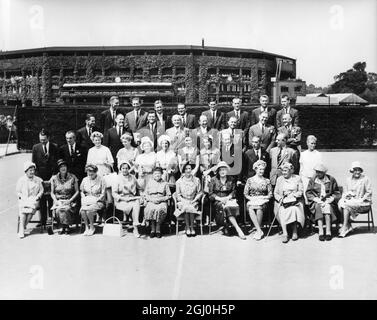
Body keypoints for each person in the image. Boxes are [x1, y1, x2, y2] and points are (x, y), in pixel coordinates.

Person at [209, 161, 246, 239]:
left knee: (229, 207)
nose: (222, 172)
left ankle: (227, 226)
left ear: (227, 170)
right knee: (224, 207)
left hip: (229, 199)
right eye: (221, 170)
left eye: (224, 170)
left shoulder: (231, 179)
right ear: (218, 171)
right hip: (217, 200)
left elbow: (234, 191)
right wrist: (220, 199)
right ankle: (237, 229)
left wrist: (228, 198)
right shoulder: (213, 179)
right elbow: (211, 194)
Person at [31, 129, 59, 226]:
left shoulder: (55, 147)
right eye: (41, 139)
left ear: (48, 138)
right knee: (42, 199)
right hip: (41, 178)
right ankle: (42, 221)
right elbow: (34, 164)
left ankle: (51, 219)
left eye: (44, 140)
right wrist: (39, 178)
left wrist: (53, 176)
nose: (42, 141)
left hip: (52, 177)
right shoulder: (35, 147)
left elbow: (57, 163)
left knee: (51, 198)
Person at [306, 163, 340, 241]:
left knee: (327, 208)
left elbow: (337, 192)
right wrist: (315, 199)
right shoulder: (313, 180)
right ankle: (321, 231)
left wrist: (331, 199)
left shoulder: (331, 179)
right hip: (317, 201)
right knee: (318, 207)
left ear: (324, 172)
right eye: (317, 172)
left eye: (320, 172)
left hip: (328, 201)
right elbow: (308, 192)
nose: (318, 173)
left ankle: (328, 231)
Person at [338, 161, 373, 238]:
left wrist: (361, 199)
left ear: (361, 171)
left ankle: (344, 227)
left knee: (346, 206)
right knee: (340, 203)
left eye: (359, 170)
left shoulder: (365, 179)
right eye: (355, 170)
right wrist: (347, 195)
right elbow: (345, 192)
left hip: (362, 202)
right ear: (352, 171)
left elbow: (369, 192)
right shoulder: (348, 179)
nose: (357, 172)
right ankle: (348, 225)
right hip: (351, 201)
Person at [274, 162, 305, 243]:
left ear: (291, 171)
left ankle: (295, 232)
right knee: (282, 210)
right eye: (283, 171)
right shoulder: (279, 179)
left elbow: (301, 191)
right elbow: (275, 193)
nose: (283, 172)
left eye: (286, 171)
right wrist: (280, 198)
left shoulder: (297, 178)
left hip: (295, 201)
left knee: (294, 209)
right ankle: (285, 233)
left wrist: (294, 195)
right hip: (283, 201)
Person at [244, 160, 273, 240]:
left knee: (259, 207)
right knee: (251, 207)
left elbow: (270, 194)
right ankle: (259, 231)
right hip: (252, 200)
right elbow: (246, 193)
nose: (261, 171)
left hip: (263, 201)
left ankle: (258, 231)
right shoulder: (250, 180)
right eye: (260, 169)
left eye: (263, 169)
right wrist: (252, 198)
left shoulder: (266, 181)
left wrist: (263, 198)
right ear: (255, 169)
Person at [112, 161, 141, 238]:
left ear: (129, 169)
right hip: (121, 200)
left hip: (131, 198)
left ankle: (135, 225)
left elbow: (139, 187)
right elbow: (114, 193)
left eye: (126, 168)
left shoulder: (133, 177)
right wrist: (122, 198)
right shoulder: (117, 178)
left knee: (136, 202)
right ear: (120, 169)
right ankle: (136, 226)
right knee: (133, 206)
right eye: (123, 168)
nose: (125, 170)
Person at [50, 159, 79, 235]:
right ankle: (64, 227)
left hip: (69, 200)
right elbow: (52, 193)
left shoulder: (73, 177)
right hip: (58, 200)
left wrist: (70, 200)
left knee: (66, 209)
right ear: (58, 169)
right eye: (61, 167)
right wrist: (55, 201)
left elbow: (77, 191)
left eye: (65, 166)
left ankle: (65, 227)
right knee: (59, 209)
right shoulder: (54, 178)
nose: (63, 168)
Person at [16, 162, 44, 238]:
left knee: (30, 210)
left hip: (34, 199)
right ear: (26, 171)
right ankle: (22, 230)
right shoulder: (21, 180)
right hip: (24, 199)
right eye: (30, 170)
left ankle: (23, 226)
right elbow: (18, 191)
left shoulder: (38, 180)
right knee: (23, 210)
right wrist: (22, 197)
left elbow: (41, 190)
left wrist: (38, 196)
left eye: (33, 170)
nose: (32, 172)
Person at [174, 162, 203, 237]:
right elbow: (178, 195)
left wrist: (194, 200)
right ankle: (188, 227)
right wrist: (184, 201)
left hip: (193, 201)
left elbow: (200, 192)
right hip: (183, 202)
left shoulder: (196, 180)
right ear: (183, 170)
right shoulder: (179, 182)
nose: (188, 170)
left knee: (190, 206)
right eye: (186, 169)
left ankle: (192, 227)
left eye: (189, 168)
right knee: (187, 207)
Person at [144, 167, 172, 238]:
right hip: (151, 200)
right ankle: (153, 229)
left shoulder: (165, 183)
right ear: (152, 175)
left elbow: (169, 195)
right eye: (155, 173)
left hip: (161, 201)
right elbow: (145, 194)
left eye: (159, 173)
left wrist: (161, 199)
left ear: (162, 174)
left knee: (160, 209)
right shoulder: (149, 182)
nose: (157, 175)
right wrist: (151, 199)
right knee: (151, 208)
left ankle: (158, 228)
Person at [80, 164, 106, 236]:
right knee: (82, 210)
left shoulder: (101, 180)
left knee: (88, 210)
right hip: (87, 200)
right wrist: (83, 198)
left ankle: (92, 227)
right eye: (88, 171)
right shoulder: (85, 180)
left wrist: (96, 200)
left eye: (92, 171)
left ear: (96, 172)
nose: (90, 173)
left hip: (98, 201)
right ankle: (86, 227)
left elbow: (103, 194)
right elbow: (82, 191)